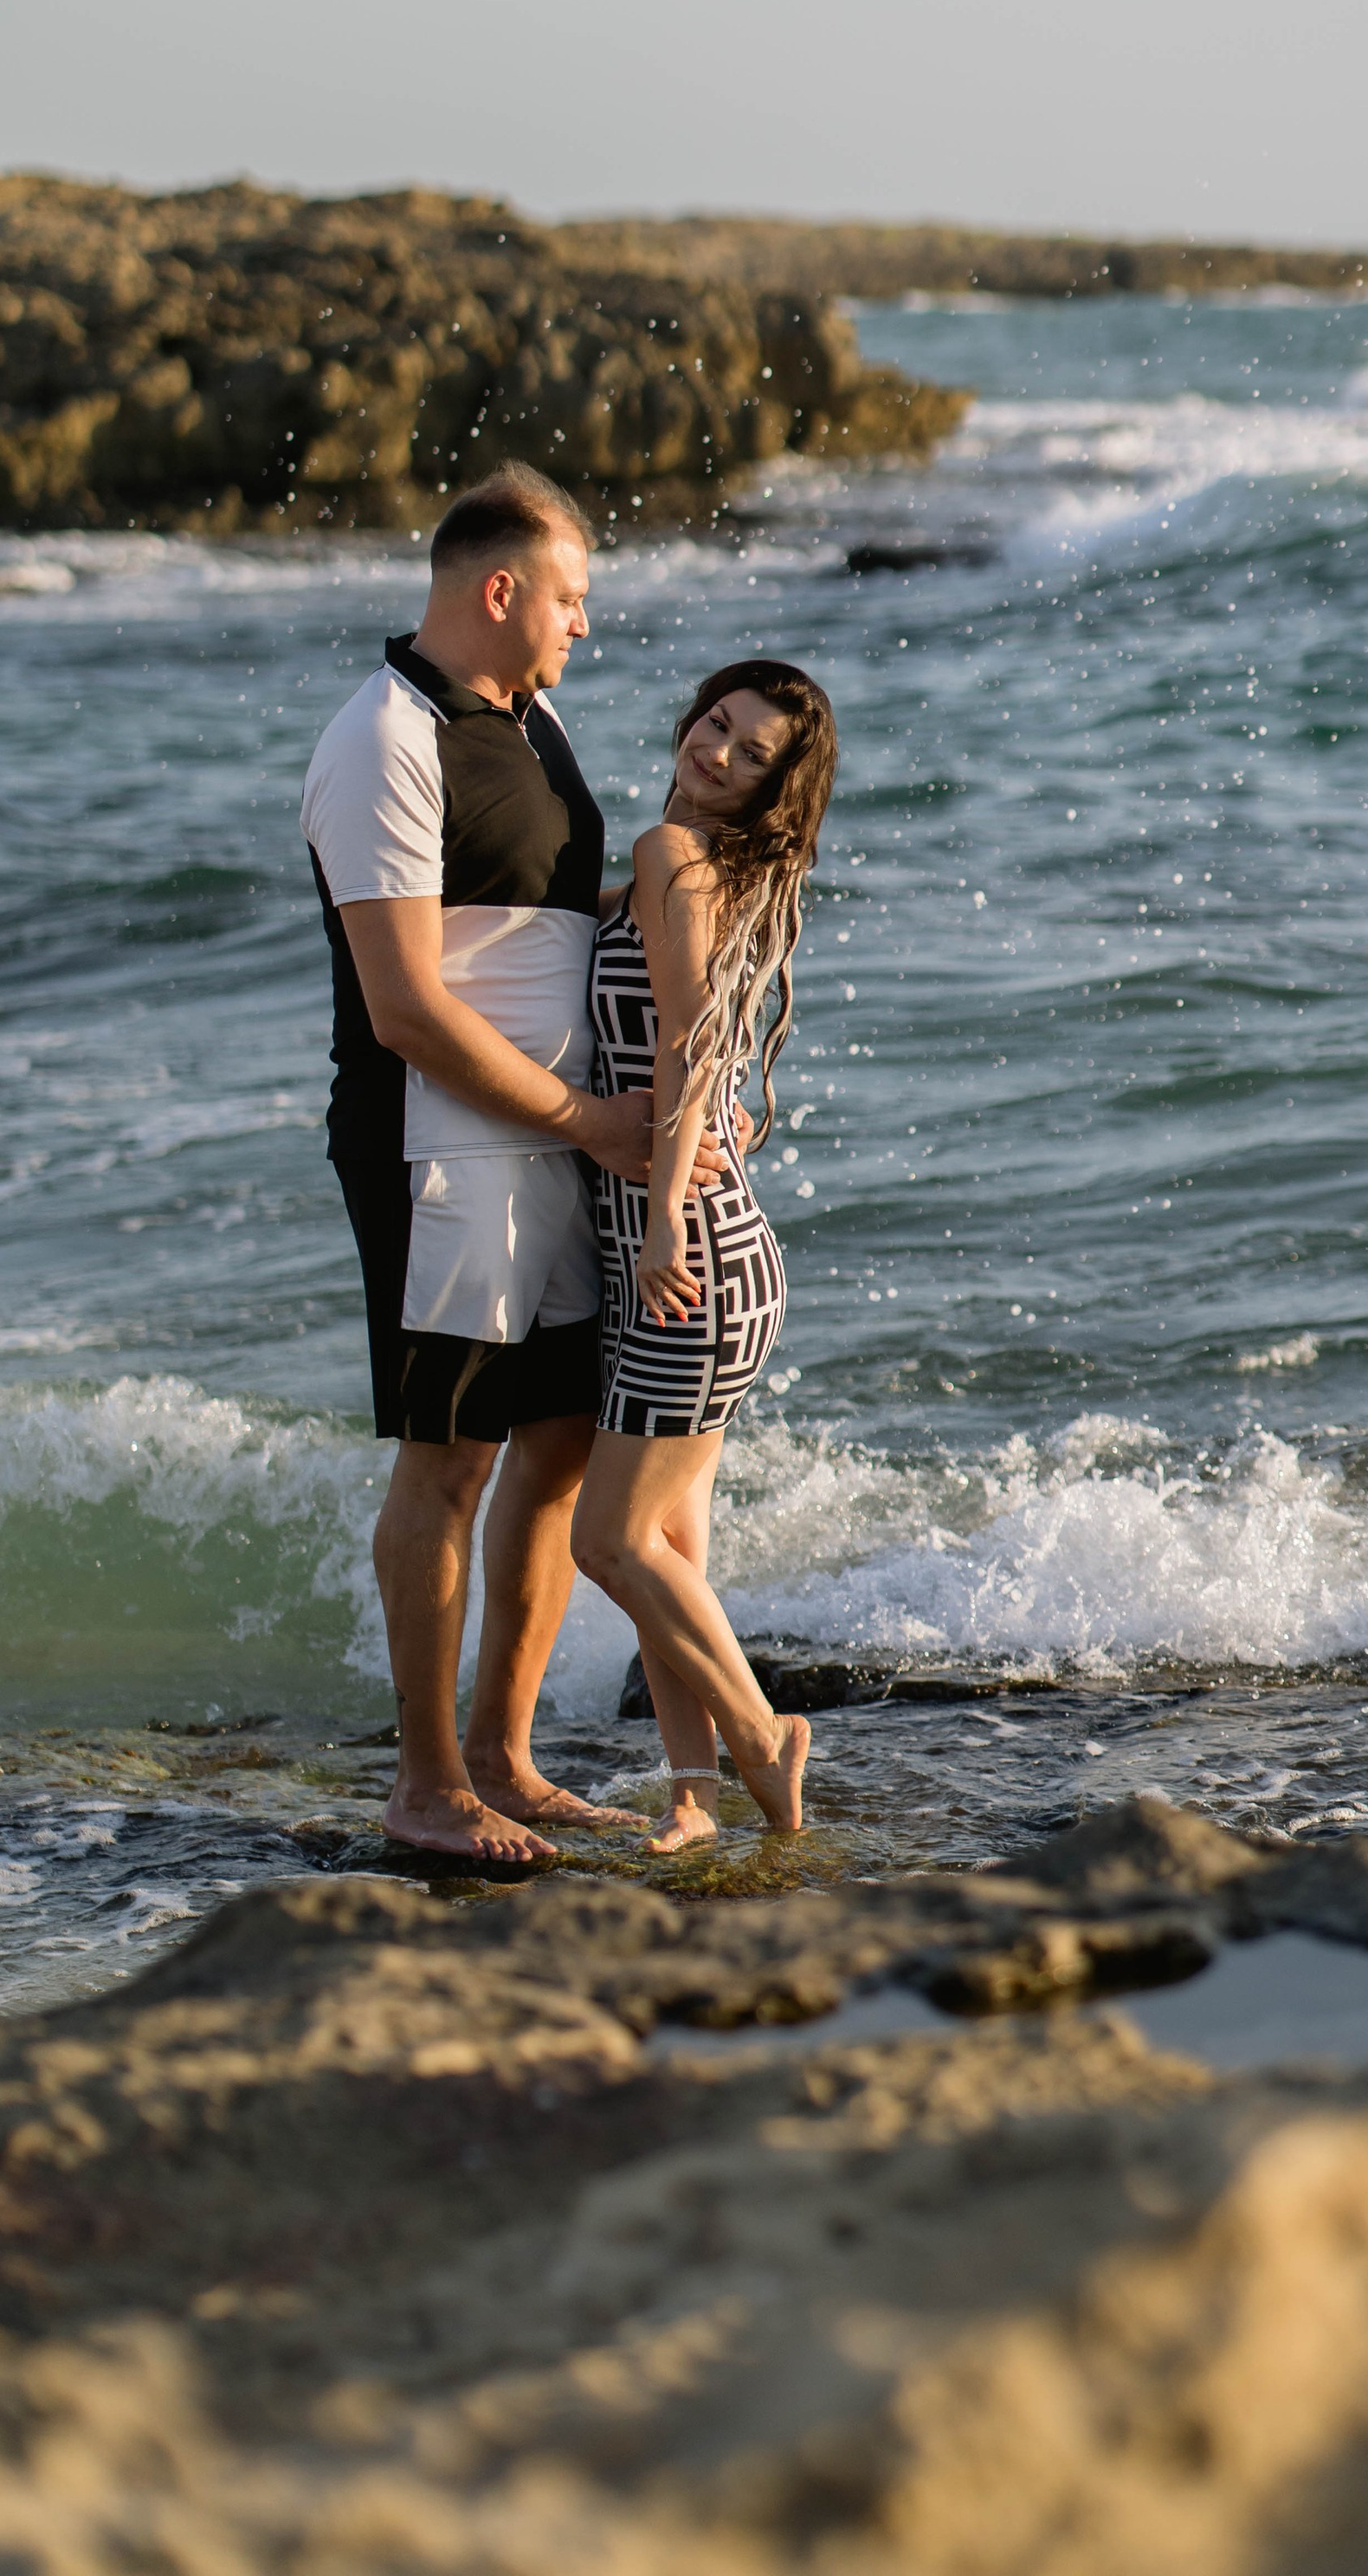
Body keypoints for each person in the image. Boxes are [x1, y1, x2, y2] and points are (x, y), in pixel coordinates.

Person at [300, 461, 735, 1865]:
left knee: (556, 1445)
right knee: (449, 1463)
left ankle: (502, 1753)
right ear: (502, 590)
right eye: (570, 597)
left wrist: (697, 925)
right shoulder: (385, 737)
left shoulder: (530, 720)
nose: (583, 624)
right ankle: (426, 1787)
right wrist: (597, 1122)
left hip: (553, 1138)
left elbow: (540, 919)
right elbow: (407, 1008)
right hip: (441, 1149)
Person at [571, 660, 836, 1845]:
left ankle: (764, 1738)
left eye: (751, 754)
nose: (717, 752)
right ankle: (694, 1794)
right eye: (716, 723)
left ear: (773, 788)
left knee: (609, 1541)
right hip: (690, 1260)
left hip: (691, 1262)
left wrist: (667, 1212)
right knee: (669, 1548)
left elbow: (684, 1044)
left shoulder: (674, 856)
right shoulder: (689, 868)